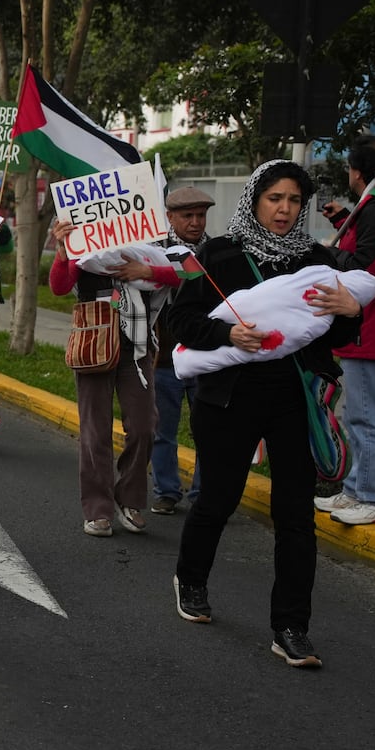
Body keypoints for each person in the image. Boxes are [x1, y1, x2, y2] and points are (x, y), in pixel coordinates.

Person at [167, 160, 361, 668]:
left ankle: (292, 626)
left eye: (294, 201)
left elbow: (335, 336)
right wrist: (227, 334)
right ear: (255, 199)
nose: (284, 209)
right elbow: (180, 321)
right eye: (275, 198)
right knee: (218, 497)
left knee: (295, 514)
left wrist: (349, 313)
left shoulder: (319, 261)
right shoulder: (217, 253)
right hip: (229, 395)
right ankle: (191, 578)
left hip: (295, 398)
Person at [50, 216, 175, 538]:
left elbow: (185, 273)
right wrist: (63, 251)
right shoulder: (84, 244)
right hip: (94, 347)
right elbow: (60, 286)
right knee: (95, 431)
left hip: (136, 351)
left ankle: (129, 500)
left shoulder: (150, 244)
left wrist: (147, 272)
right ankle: (98, 509)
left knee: (145, 426)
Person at [317, 139, 375, 526]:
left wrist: (326, 253)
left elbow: (366, 267)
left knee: (366, 417)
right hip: (370, 328)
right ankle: (358, 488)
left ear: (356, 173)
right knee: (365, 415)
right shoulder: (373, 208)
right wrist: (343, 221)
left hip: (371, 328)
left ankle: (373, 494)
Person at [150, 185, 215, 514]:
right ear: (169, 217)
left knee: (209, 430)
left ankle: (204, 494)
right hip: (165, 358)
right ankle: (166, 491)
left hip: (206, 356)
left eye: (201, 215)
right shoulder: (152, 253)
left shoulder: (216, 252)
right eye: (187, 215)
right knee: (163, 430)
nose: (195, 222)